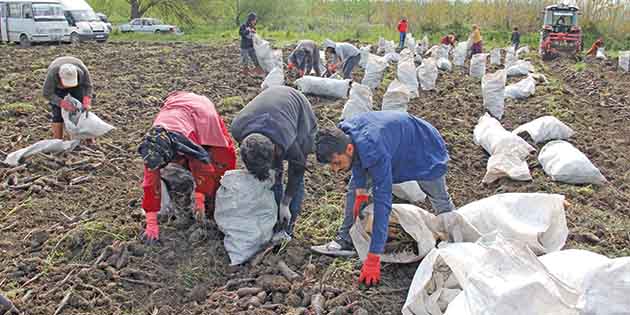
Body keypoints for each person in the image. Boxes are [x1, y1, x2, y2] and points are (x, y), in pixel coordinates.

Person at [312, 111, 455, 286]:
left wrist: (373, 257)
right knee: (354, 188)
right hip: (395, 143)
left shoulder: (374, 151)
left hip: (423, 147)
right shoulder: (344, 134)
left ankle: (455, 242)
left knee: (439, 199)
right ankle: (345, 240)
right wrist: (361, 190)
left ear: (348, 149)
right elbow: (356, 159)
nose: (335, 170)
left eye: (336, 163)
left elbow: (382, 205)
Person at [138, 92, 237, 244]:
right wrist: (151, 221)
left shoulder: (187, 140)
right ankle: (188, 198)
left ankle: (213, 201)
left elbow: (202, 165)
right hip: (176, 110)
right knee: (173, 172)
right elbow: (150, 182)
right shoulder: (153, 147)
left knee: (221, 161)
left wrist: (200, 195)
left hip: (201, 113)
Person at [230, 86, 318, 236]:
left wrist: (285, 204)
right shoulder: (238, 128)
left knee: (296, 174)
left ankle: (287, 227)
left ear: (276, 149)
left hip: (299, 109)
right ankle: (273, 219)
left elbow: (297, 170)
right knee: (273, 175)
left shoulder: (290, 144)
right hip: (270, 106)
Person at [42, 56, 93, 140]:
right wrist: (62, 103)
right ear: (60, 77)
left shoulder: (82, 71)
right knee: (57, 112)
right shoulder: (53, 74)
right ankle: (57, 140)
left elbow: (88, 86)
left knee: (82, 111)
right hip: (58, 87)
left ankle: (88, 137)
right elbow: (47, 93)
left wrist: (86, 102)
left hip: (78, 86)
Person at [239, 12, 263, 76]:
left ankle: (258, 70)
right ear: (250, 19)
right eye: (254, 20)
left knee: (255, 58)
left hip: (251, 46)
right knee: (245, 59)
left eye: (255, 20)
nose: (255, 22)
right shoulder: (243, 26)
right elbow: (241, 33)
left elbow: (254, 37)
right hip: (244, 47)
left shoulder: (254, 27)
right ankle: (246, 72)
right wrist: (248, 31)